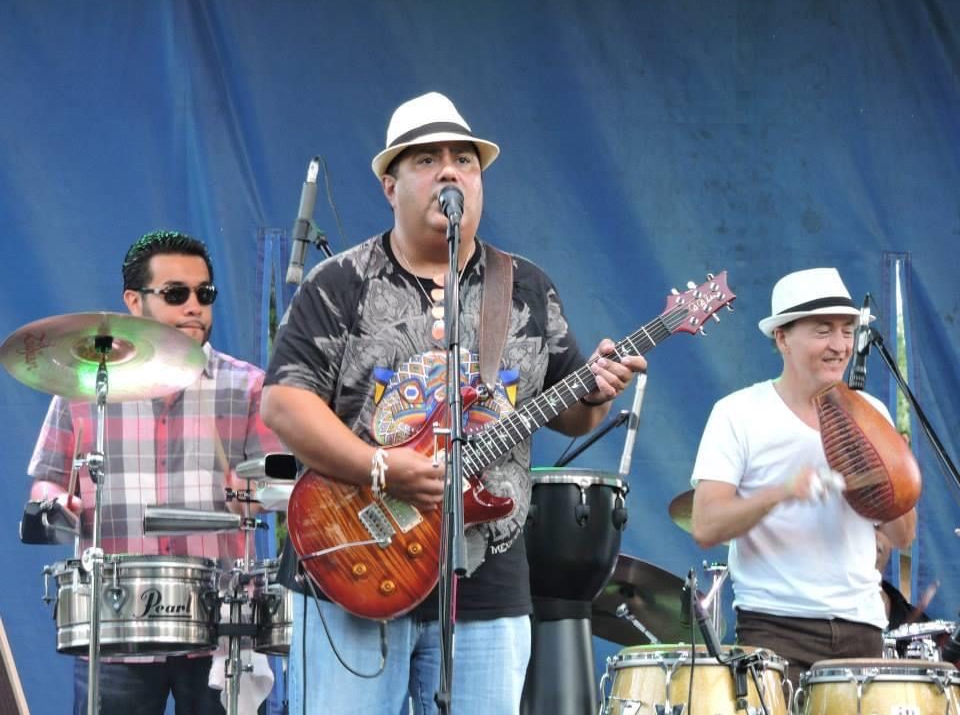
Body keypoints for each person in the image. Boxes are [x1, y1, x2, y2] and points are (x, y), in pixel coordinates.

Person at [260, 91, 646, 714]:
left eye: (464, 160)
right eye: (427, 160)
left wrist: (599, 391)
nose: (450, 172)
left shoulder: (525, 287)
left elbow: (573, 411)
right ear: (390, 186)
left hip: (486, 584)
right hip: (352, 565)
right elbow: (283, 403)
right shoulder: (341, 283)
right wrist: (380, 467)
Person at [27, 230, 284, 714]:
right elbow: (48, 479)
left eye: (204, 293)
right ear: (134, 301)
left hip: (221, 623)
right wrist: (58, 503)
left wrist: (252, 491)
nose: (194, 307)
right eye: (176, 294)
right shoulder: (87, 385)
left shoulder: (248, 386)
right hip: (115, 619)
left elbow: (282, 480)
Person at [689, 267, 917, 687]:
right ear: (782, 338)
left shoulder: (874, 413)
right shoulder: (738, 413)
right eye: (822, 330)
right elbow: (705, 526)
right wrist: (782, 492)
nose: (840, 345)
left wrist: (897, 477)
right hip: (773, 630)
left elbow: (903, 537)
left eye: (847, 330)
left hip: (862, 628)